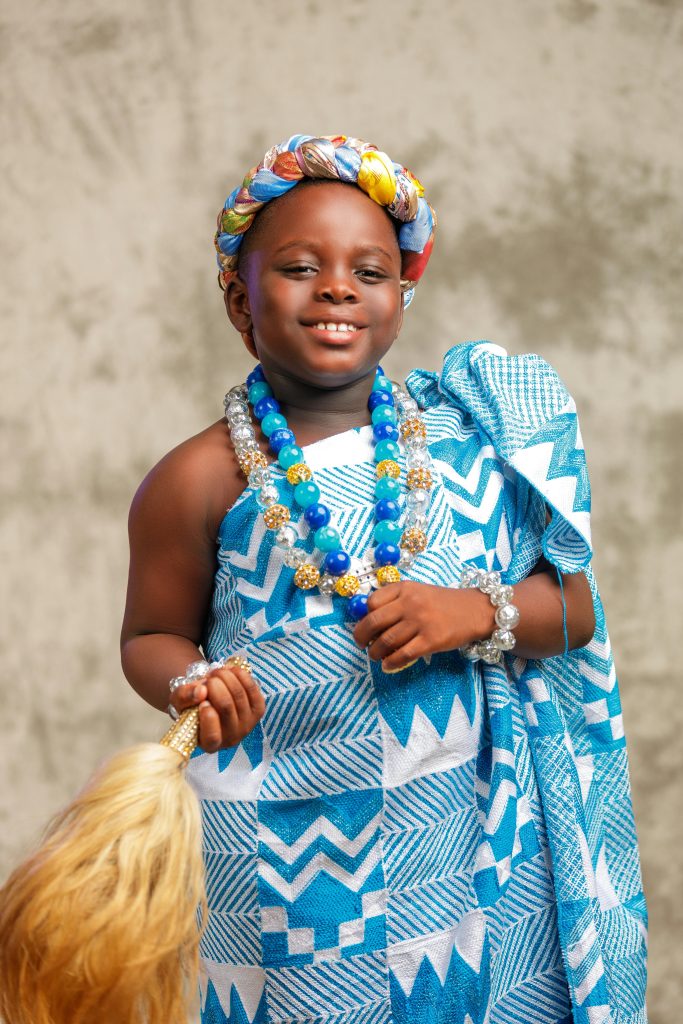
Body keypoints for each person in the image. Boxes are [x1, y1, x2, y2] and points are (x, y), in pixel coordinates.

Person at [121, 136, 647, 1024]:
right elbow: (148, 637)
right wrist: (190, 682)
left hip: (475, 838)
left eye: (368, 269)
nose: (336, 287)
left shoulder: (469, 444)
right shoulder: (198, 479)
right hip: (287, 851)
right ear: (238, 299)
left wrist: (470, 613)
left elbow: (577, 612)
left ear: (401, 298)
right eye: (297, 266)